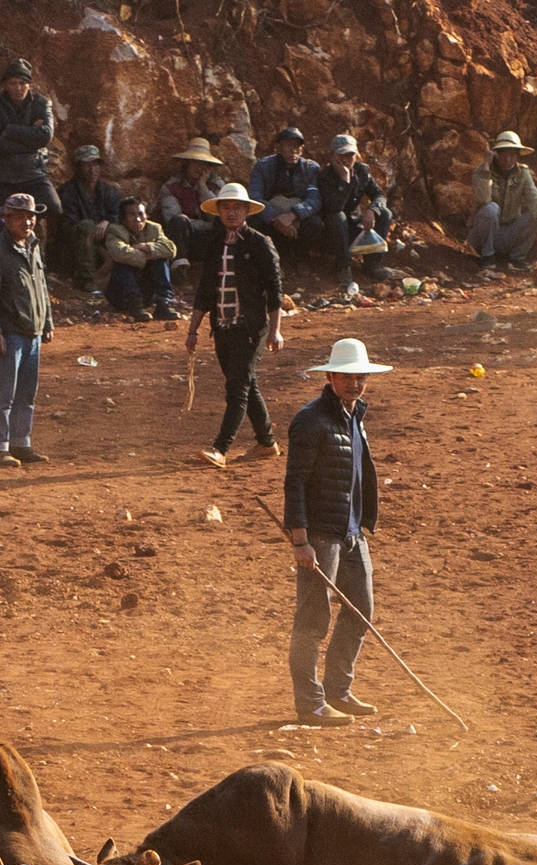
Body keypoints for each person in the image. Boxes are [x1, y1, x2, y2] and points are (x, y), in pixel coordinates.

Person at [281, 336, 394, 727]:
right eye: (346, 376)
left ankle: (337, 690)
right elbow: (295, 482)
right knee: (313, 620)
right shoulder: (310, 420)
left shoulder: (354, 416)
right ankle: (310, 703)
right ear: (329, 377)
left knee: (361, 609)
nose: (354, 382)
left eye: (360, 376)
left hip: (350, 533)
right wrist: (300, 539)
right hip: (320, 535)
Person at [184, 182, 286, 468]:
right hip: (222, 328)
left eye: (237, 208)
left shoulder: (260, 243)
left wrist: (275, 330)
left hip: (251, 328)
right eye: (226, 207)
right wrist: (193, 330)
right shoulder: (214, 245)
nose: (231, 213)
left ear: (246, 211)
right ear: (218, 211)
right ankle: (267, 443)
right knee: (246, 385)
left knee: (237, 388)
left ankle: (221, 448)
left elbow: (275, 290)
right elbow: (205, 291)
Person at [0, 192, 53, 468]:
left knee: (26, 393)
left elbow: (41, 287)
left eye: (30, 217)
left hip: (33, 332)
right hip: (9, 332)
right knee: (4, 393)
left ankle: (21, 443)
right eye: (20, 217)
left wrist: (47, 322)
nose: (27, 222)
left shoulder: (32, 246)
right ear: (7, 219)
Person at [0, 60, 60, 227]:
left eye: (22, 83)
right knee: (3, 218)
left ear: (29, 84)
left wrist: (10, 130)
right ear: (5, 85)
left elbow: (45, 136)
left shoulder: (41, 103)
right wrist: (31, 141)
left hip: (33, 172)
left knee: (54, 207)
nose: (18, 88)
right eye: (13, 83)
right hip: (4, 175)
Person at [467, 130, 537, 272]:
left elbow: (534, 197)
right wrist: (486, 167)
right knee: (491, 208)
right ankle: (487, 256)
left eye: (512, 154)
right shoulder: (481, 171)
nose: (507, 159)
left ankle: (517, 257)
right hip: (483, 236)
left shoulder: (523, 173)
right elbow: (482, 199)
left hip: (509, 233)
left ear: (518, 155)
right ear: (496, 154)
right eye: (503, 154)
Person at [318, 135, 396, 286]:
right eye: (342, 155)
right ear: (333, 156)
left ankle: (372, 264)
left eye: (350, 155)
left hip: (355, 228)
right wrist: (344, 180)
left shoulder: (361, 171)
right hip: (332, 233)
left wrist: (372, 210)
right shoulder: (325, 177)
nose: (347, 160)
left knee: (385, 213)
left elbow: (379, 194)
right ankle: (343, 266)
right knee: (338, 216)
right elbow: (335, 206)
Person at [248, 126, 325, 267]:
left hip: (297, 218)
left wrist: (293, 215)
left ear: (302, 149)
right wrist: (277, 219)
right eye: (289, 145)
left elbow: (314, 199)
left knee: (315, 224)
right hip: (272, 217)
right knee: (253, 221)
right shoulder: (263, 166)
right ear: (279, 147)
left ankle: (302, 257)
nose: (293, 150)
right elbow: (255, 197)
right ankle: (269, 258)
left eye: (297, 146)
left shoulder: (310, 168)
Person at [100, 191, 180, 319]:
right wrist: (149, 256)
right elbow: (119, 253)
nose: (138, 219)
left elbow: (171, 249)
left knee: (161, 260)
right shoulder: (114, 230)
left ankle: (163, 304)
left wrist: (147, 247)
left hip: (146, 291)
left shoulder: (154, 228)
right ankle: (135, 307)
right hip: (121, 293)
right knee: (122, 264)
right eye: (132, 215)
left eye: (141, 214)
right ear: (123, 219)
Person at [55, 145, 123, 287]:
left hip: (105, 245)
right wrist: (92, 236)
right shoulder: (68, 192)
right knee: (86, 226)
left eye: (95, 164)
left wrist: (107, 221)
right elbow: (68, 227)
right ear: (79, 167)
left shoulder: (109, 192)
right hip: (76, 250)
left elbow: (118, 215)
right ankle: (86, 281)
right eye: (87, 165)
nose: (92, 170)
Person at [157, 137, 230, 256]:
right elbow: (172, 219)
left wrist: (203, 188)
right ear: (187, 163)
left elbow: (218, 217)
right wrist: (207, 225)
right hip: (186, 239)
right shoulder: (171, 187)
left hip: (212, 239)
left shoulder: (217, 186)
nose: (199, 167)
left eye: (203, 163)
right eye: (195, 162)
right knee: (179, 221)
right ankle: (181, 264)